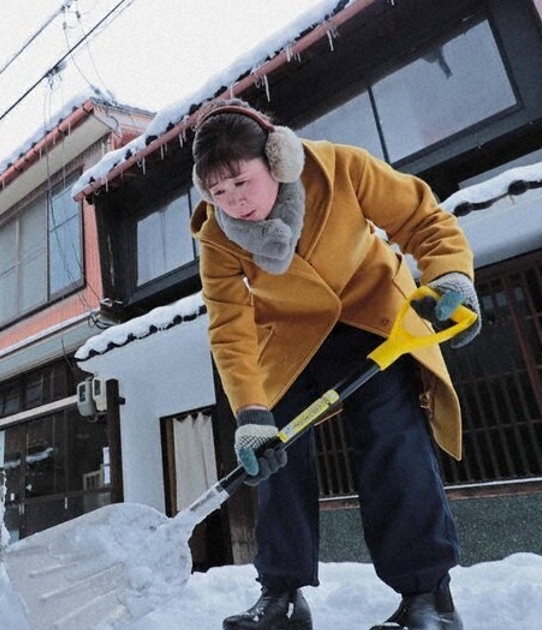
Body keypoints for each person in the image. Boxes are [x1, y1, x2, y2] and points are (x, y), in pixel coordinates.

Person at [189, 98, 480, 630]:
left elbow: (423, 219)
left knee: (392, 441)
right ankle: (280, 596)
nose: (232, 201)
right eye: (217, 191)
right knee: (275, 456)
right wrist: (251, 412)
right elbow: (229, 323)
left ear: (275, 159)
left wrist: (451, 277)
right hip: (291, 338)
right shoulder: (215, 233)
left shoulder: (340, 166)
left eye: (240, 182)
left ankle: (426, 596)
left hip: (376, 318)